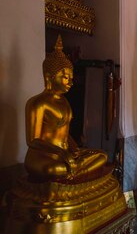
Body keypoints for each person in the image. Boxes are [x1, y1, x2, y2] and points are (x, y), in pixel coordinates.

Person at [24, 35, 107, 181]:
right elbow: (33, 141)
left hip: (64, 155)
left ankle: (73, 170)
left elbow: (64, 133)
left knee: (101, 156)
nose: (70, 82)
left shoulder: (64, 102)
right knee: (53, 169)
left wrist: (75, 150)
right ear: (49, 77)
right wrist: (62, 154)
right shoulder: (37, 103)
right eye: (65, 77)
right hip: (43, 157)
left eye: (71, 78)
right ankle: (73, 172)